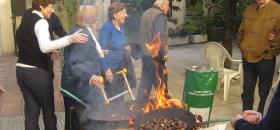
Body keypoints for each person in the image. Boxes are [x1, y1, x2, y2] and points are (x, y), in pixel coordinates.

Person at [15, 0, 88, 130]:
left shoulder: (27, 16)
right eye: (50, 7)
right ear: (41, 6)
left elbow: (30, 41)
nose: (52, 10)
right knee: (48, 112)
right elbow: (44, 47)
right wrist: (70, 39)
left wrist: (49, 53)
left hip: (21, 71)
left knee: (31, 112)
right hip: (37, 74)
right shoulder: (41, 22)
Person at [61, 5, 106, 130]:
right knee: (82, 125)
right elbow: (75, 64)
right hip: (78, 91)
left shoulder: (75, 30)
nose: (96, 20)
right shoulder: (84, 35)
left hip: (72, 88)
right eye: (95, 18)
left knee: (72, 125)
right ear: (91, 20)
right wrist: (91, 77)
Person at [238, 0, 280, 114]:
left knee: (265, 92)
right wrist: (243, 48)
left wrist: (271, 53)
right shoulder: (250, 9)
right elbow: (241, 31)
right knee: (247, 91)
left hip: (265, 59)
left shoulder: (277, 9)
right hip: (248, 57)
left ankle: (261, 118)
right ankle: (246, 117)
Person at [99, 2, 136, 102]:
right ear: (115, 15)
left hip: (121, 68)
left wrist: (126, 46)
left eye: (126, 13)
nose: (126, 15)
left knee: (120, 98)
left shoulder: (121, 27)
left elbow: (120, 43)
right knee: (113, 100)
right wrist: (106, 69)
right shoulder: (107, 28)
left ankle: (119, 116)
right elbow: (100, 51)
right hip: (111, 70)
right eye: (123, 13)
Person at [136, 0, 170, 107]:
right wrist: (164, 53)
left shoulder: (146, 13)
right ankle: (164, 111)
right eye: (168, 5)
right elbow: (158, 38)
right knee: (161, 85)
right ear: (163, 5)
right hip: (156, 58)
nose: (168, 8)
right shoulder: (160, 16)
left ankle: (139, 110)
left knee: (145, 85)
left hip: (146, 56)